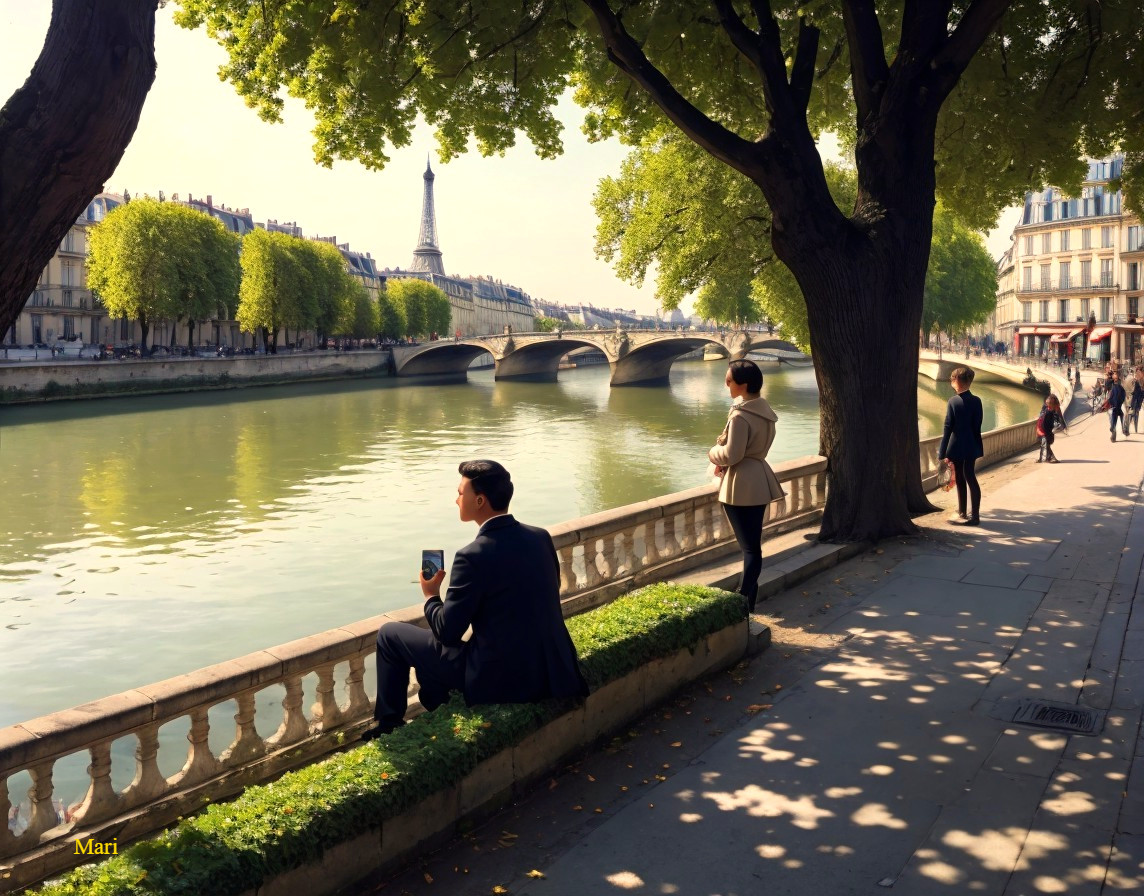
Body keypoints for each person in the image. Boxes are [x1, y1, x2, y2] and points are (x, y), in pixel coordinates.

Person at [364, 460, 588, 740]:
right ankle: (435, 698)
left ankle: (388, 724)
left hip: (499, 676)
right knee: (432, 659)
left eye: (460, 492)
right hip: (548, 667)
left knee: (390, 634)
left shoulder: (472, 556)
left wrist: (431, 595)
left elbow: (447, 632)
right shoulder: (539, 537)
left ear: (480, 500)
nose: (456, 499)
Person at [707, 359, 786, 611]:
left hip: (740, 484)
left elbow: (732, 454)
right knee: (753, 546)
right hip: (759, 478)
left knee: (750, 549)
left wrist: (712, 452)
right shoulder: (765, 411)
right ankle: (748, 599)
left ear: (743, 385)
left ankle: (741, 601)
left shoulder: (741, 415)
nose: (726, 384)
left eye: (729, 381)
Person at [938, 366, 984, 525]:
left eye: (952, 379)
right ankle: (975, 515)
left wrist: (942, 452)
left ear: (957, 381)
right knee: (970, 476)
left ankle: (963, 512)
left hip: (956, 445)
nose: (951, 382)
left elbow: (947, 427)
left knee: (960, 479)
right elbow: (977, 425)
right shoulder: (977, 401)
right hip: (972, 444)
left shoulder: (953, 401)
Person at [1036, 393, 1066, 463]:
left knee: (1045, 443)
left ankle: (1046, 458)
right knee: (1044, 442)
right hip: (1040, 427)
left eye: (1050, 403)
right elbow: (1041, 416)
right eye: (1047, 402)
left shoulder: (1056, 410)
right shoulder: (1045, 406)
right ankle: (1045, 458)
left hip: (1048, 429)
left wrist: (1058, 427)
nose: (1048, 404)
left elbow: (1061, 421)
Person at [1107, 372, 1127, 441]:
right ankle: (1116, 430)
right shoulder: (1117, 386)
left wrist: (1112, 403)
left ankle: (1114, 429)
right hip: (1116, 406)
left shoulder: (1118, 387)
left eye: (1116, 377)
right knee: (1116, 417)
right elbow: (1123, 396)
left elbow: (1110, 396)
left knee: (1113, 417)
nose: (1115, 379)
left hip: (1115, 406)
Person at [1130, 367, 1144, 434]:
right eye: (1137, 372)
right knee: (1132, 412)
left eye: (1139, 372)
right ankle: (1129, 426)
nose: (1138, 374)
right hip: (1135, 398)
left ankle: (1136, 427)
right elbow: (1133, 390)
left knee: (1137, 412)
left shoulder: (1142, 380)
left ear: (1142, 373)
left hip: (1140, 399)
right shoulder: (1135, 381)